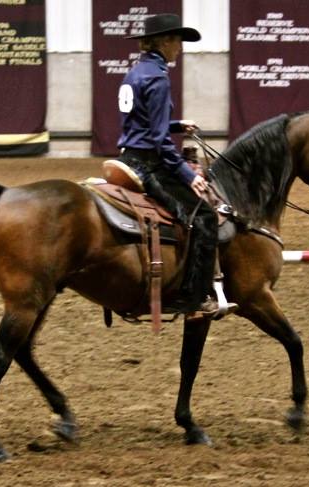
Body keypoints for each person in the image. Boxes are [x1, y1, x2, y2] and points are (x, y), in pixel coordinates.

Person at [117, 13, 225, 316]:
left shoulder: (136, 72)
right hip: (149, 164)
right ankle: (195, 297)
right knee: (204, 217)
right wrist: (187, 174)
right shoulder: (158, 78)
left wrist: (176, 124)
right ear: (163, 42)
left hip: (128, 156)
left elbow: (140, 122)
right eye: (177, 41)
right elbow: (159, 141)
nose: (180, 47)